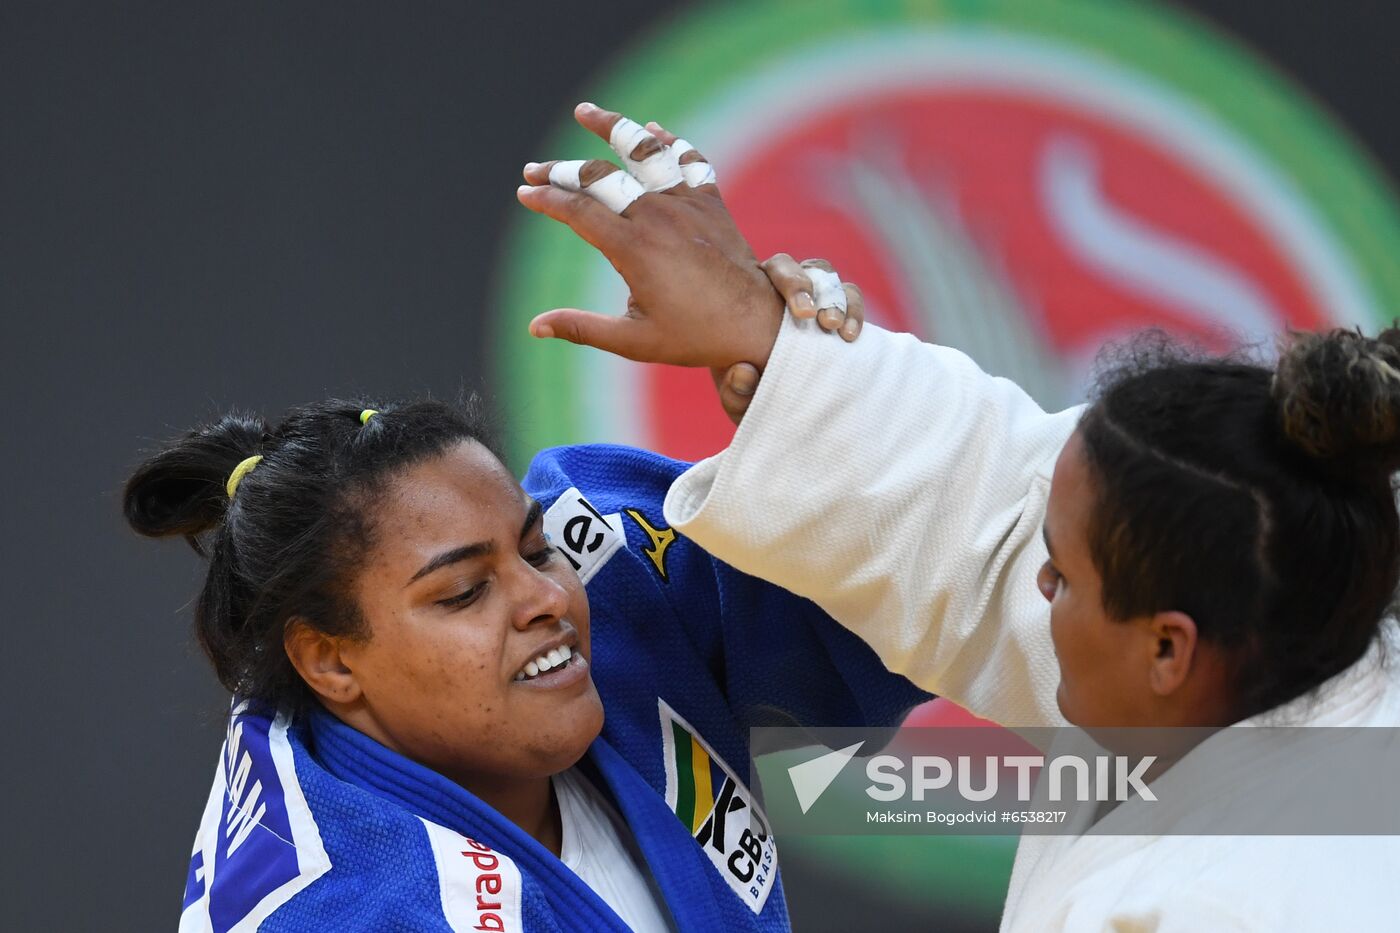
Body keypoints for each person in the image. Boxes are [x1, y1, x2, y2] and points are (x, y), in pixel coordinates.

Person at [516, 102, 1400, 930]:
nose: (1035, 581)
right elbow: (993, 527)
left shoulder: (1261, 899)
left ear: (1169, 647)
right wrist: (770, 341)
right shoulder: (1273, 638)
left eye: (1063, 574)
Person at [129, 301, 924, 929]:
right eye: (465, 593)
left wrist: (803, 391)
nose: (548, 597)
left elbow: (919, 602)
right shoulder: (353, 908)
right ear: (331, 661)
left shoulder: (609, 566)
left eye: (535, 549)